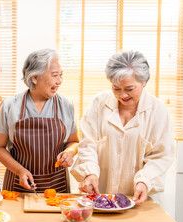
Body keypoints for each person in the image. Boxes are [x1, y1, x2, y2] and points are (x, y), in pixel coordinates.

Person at [70, 50, 175, 205]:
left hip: (140, 199)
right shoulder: (99, 103)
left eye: (129, 89)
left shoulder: (157, 110)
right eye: (116, 88)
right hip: (102, 198)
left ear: (144, 82)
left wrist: (144, 181)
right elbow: (88, 144)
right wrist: (90, 173)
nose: (122, 95)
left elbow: (161, 155)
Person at [0, 49, 79, 193]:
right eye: (55, 75)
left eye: (61, 75)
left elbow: (74, 141)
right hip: (17, 185)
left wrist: (69, 152)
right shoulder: (9, 106)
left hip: (57, 187)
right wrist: (19, 170)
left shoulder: (66, 105)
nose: (59, 81)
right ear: (35, 78)